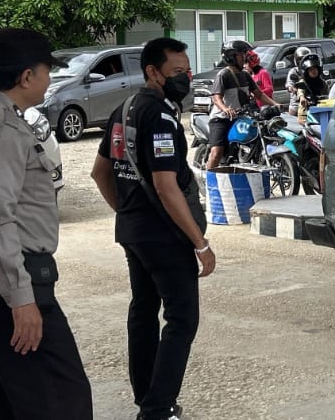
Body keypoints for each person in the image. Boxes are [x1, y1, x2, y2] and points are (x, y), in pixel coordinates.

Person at [0, 27, 93, 420]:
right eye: (46, 71)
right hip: (8, 278)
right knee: (62, 400)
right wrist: (21, 297)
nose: (49, 80)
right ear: (26, 76)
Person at [91, 37, 213, 420]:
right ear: (152, 72)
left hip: (134, 232)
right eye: (177, 72)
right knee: (182, 318)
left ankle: (147, 398)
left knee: (143, 311)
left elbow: (99, 172)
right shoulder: (159, 116)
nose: (185, 78)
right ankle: (158, 409)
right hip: (164, 236)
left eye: (187, 71)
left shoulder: (123, 109)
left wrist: (128, 212)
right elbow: (165, 185)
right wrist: (200, 243)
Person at [207, 40, 276, 170]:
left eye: (244, 54)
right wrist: (225, 109)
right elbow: (216, 98)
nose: (244, 57)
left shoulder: (245, 75)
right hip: (221, 119)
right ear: (230, 56)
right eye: (241, 54)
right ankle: (208, 178)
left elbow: (259, 94)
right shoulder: (223, 75)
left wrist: (276, 104)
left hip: (240, 118)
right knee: (217, 152)